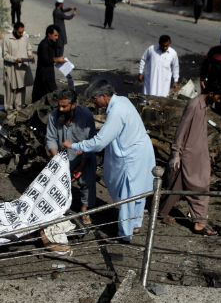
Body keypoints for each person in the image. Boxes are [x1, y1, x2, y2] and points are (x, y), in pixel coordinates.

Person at [62, 85, 156, 243]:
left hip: (132, 156)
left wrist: (74, 145)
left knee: (129, 194)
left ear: (104, 96)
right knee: (138, 190)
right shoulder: (123, 100)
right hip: (142, 151)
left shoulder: (116, 111)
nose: (95, 102)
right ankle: (135, 224)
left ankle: (125, 234)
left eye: (95, 99)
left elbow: (100, 142)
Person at [159, 94, 217, 236]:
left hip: (197, 155)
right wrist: (176, 153)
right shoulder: (194, 105)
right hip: (190, 155)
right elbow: (182, 129)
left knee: (179, 185)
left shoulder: (202, 105)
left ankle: (162, 212)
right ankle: (199, 222)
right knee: (199, 186)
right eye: (219, 97)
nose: (218, 100)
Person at [46, 89, 96, 225]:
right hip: (62, 156)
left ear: (73, 105)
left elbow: (91, 142)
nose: (61, 109)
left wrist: (81, 165)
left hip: (84, 156)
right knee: (56, 183)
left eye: (64, 106)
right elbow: (50, 138)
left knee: (87, 182)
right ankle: (58, 210)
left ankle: (85, 211)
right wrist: (57, 161)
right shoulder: (53, 115)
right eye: (59, 106)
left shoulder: (86, 115)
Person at [3, 22, 34, 111]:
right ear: (15, 30)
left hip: (22, 68)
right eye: (19, 32)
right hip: (11, 68)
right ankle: (9, 108)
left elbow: (29, 48)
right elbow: (5, 55)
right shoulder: (7, 39)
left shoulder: (25, 37)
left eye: (22, 32)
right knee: (10, 89)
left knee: (21, 87)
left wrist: (30, 55)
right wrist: (16, 59)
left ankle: (19, 107)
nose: (21, 34)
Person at [32, 25, 65, 103]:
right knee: (44, 94)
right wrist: (57, 59)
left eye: (57, 36)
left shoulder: (52, 43)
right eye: (55, 35)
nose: (57, 38)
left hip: (49, 73)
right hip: (43, 74)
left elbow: (56, 54)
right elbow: (45, 60)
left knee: (50, 93)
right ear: (49, 34)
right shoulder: (44, 45)